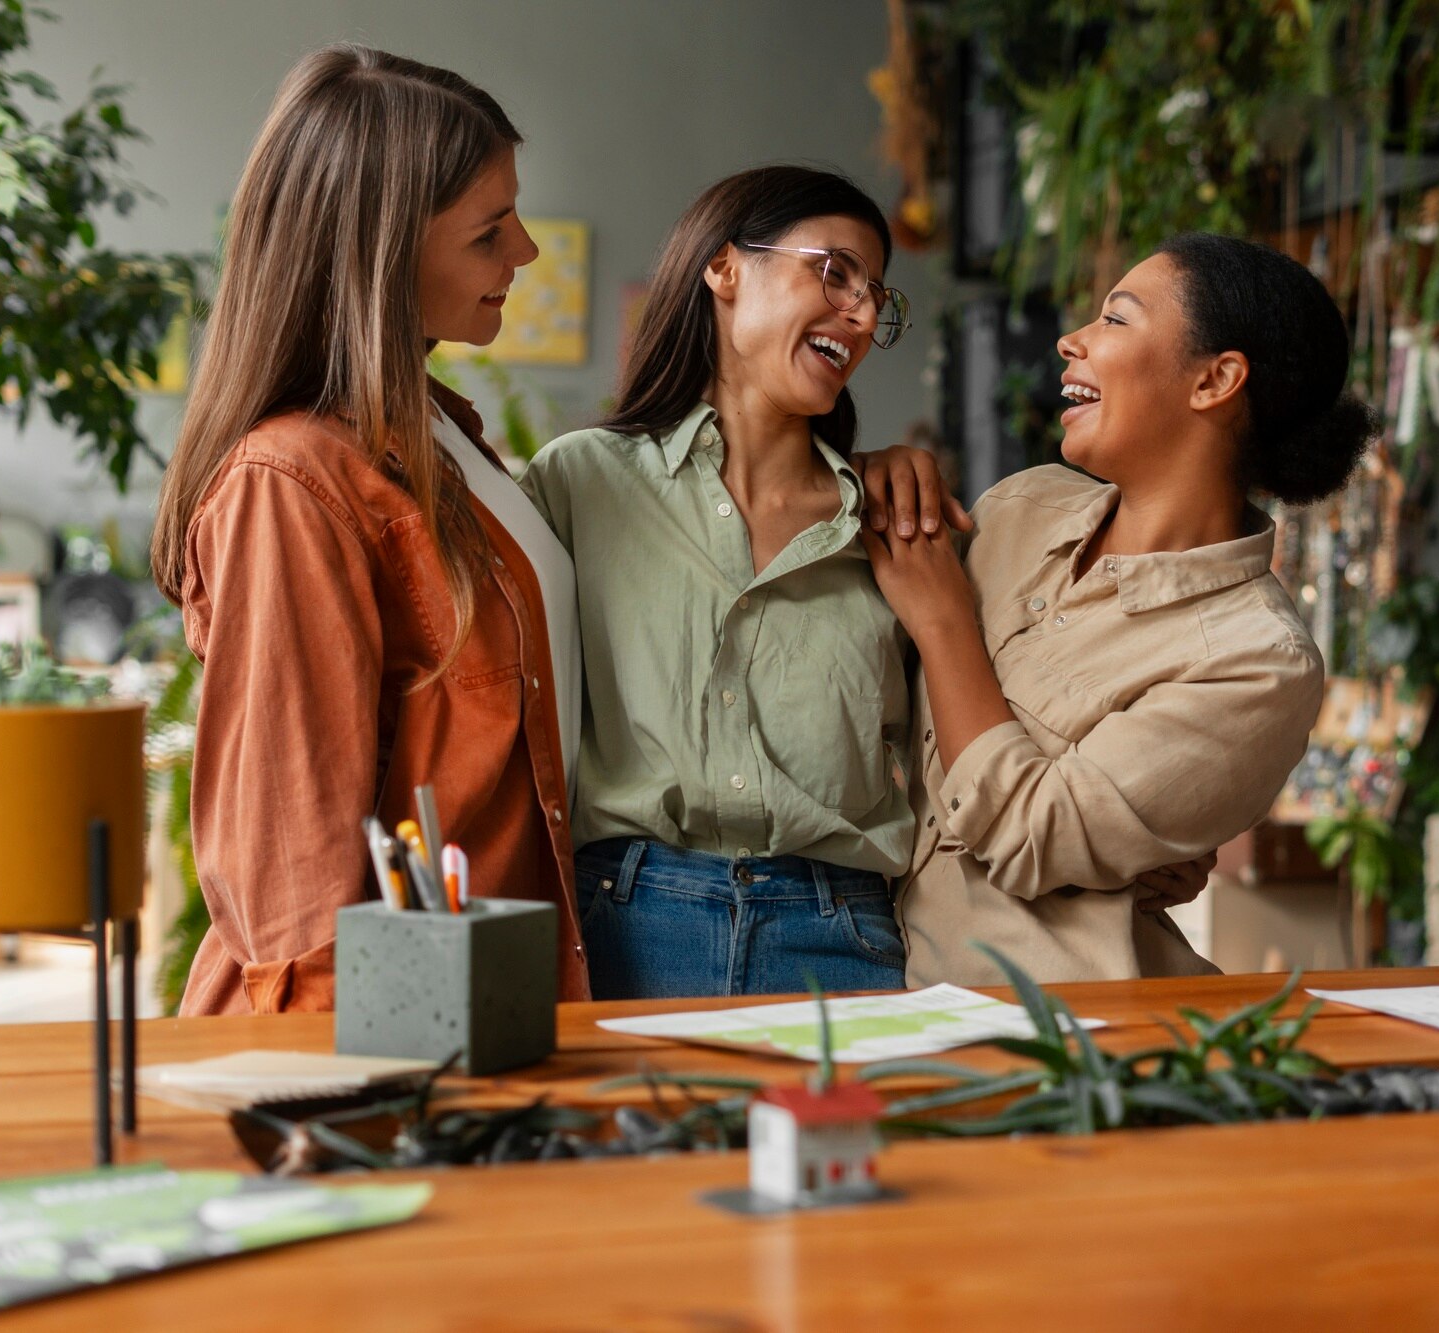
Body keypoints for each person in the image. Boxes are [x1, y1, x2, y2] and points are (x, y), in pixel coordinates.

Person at [150, 45, 589, 1013]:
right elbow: (293, 888)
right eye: (489, 232)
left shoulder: (441, 435)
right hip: (389, 1041)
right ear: (383, 250)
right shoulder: (291, 486)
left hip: (488, 1009)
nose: (524, 252)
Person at [865, 232, 1377, 986]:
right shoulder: (1019, 507)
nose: (1071, 340)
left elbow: (1032, 832)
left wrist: (944, 624)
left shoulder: (1257, 661)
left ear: (1215, 380)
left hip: (1045, 1040)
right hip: (854, 969)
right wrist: (872, 474)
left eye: (1116, 319)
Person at [521, 166, 940, 999]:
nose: (860, 315)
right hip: (626, 928)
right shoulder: (579, 485)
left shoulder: (889, 521)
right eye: (834, 272)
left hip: (839, 936)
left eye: (874, 297)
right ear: (724, 268)